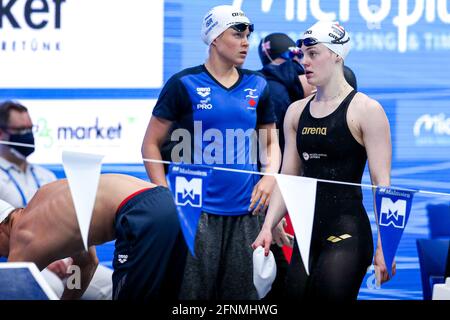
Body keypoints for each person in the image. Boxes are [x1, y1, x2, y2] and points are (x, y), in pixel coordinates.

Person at [141, 5, 280, 299]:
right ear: (215, 38)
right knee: (191, 298)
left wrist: (269, 178)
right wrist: (163, 194)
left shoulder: (258, 84)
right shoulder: (184, 83)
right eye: (237, 33)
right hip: (195, 212)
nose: (246, 41)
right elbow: (150, 144)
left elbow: (270, 143)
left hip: (247, 211)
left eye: (248, 35)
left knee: (242, 300)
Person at [252, 20, 394, 300]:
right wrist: (268, 225)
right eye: (303, 54)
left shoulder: (366, 110)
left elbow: (382, 184)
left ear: (337, 55)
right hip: (307, 235)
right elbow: (289, 176)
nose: (304, 61)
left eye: (313, 53)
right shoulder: (295, 111)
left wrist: (386, 247)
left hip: (347, 233)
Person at [0, 174, 185, 300]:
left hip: (141, 214)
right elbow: (87, 263)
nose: (3, 256)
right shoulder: (45, 202)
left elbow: (9, 292)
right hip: (172, 203)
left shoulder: (25, 236)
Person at [0, 100, 113, 300]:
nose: (28, 135)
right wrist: (47, 257)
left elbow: (68, 227)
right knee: (49, 288)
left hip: (64, 258)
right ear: (1, 133)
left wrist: (65, 255)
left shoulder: (47, 177)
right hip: (23, 259)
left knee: (110, 285)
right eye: (20, 130)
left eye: (30, 128)